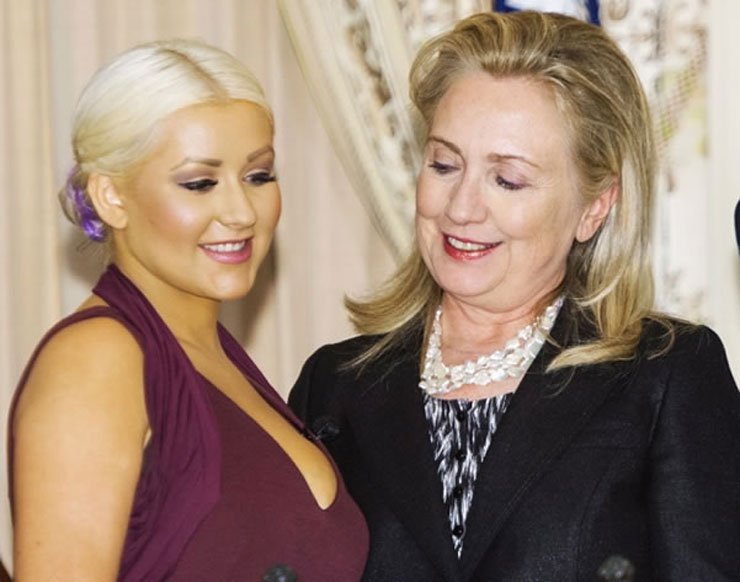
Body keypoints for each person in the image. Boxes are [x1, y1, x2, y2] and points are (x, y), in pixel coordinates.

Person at [289, 11, 740, 581]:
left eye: (508, 180)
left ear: (594, 206)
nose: (461, 208)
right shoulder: (333, 386)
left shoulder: (667, 375)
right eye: (444, 165)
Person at [8, 39, 368, 581]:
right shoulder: (97, 361)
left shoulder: (216, 358)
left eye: (258, 175)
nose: (241, 212)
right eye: (200, 183)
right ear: (111, 197)